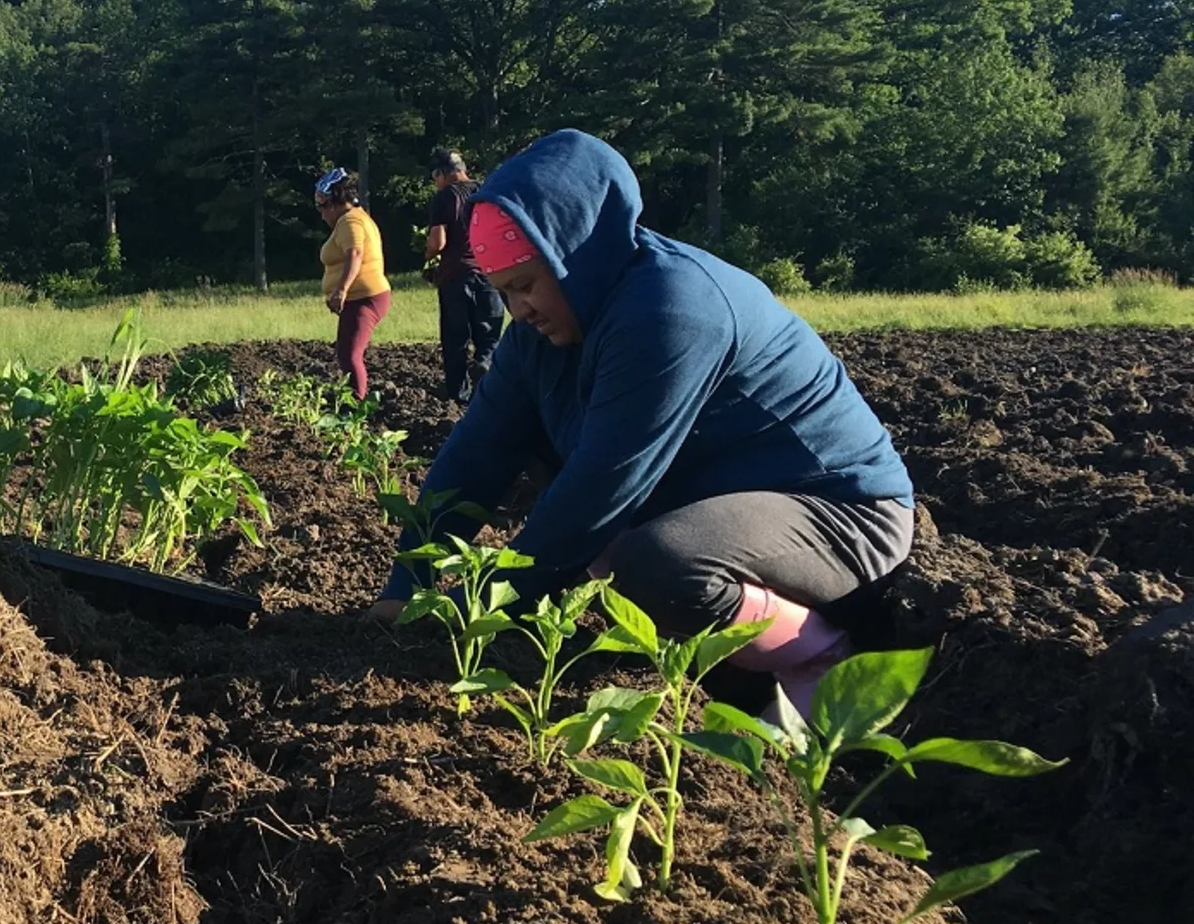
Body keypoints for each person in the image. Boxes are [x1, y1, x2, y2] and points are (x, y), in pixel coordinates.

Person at [369, 130, 914, 716]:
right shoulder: (535, 339)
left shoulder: (670, 309)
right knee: (596, 528)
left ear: (576, 255)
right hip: (721, 506)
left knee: (658, 564)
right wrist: (409, 586)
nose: (518, 311)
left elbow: (601, 487)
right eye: (504, 293)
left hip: (839, 512)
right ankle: (739, 671)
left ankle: (822, 660)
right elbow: (475, 457)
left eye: (526, 285)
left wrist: (485, 611)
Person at [423, 148, 504, 404]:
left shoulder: (445, 198)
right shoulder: (486, 191)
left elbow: (438, 242)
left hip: (455, 275)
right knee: (489, 336)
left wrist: (427, 256)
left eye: (435, 177)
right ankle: (488, 380)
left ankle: (458, 397)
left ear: (442, 174)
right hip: (489, 272)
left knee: (456, 340)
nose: (435, 183)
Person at [315, 168, 392, 400]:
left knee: (349, 355)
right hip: (360, 296)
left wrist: (341, 290)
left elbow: (355, 253)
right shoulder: (354, 219)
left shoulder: (350, 221)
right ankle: (354, 399)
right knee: (346, 352)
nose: (321, 216)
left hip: (363, 297)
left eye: (322, 208)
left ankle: (357, 404)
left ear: (332, 203)